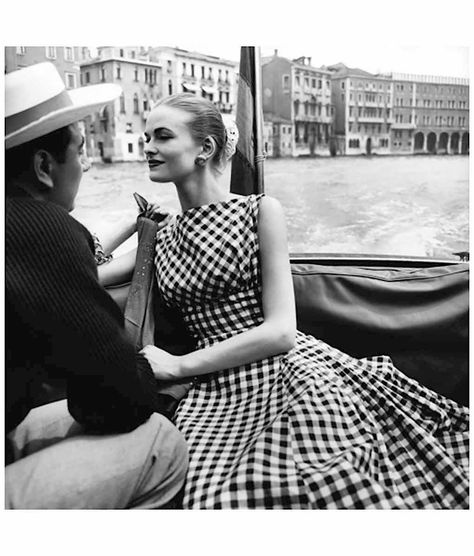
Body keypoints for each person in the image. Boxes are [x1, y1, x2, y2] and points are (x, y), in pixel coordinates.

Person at [140, 93, 469, 509]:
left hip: (286, 376)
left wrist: (178, 365)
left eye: (162, 136)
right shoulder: (162, 236)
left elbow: (281, 333)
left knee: (330, 481)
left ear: (205, 148)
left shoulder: (259, 212)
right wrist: (128, 226)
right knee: (214, 500)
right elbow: (85, 274)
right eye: (146, 137)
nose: (147, 147)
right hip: (214, 394)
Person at [5, 62, 188, 509]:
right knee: (162, 441)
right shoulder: (41, 227)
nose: (87, 164)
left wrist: (137, 229)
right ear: (44, 165)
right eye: (81, 150)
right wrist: (155, 373)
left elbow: (73, 267)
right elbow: (116, 400)